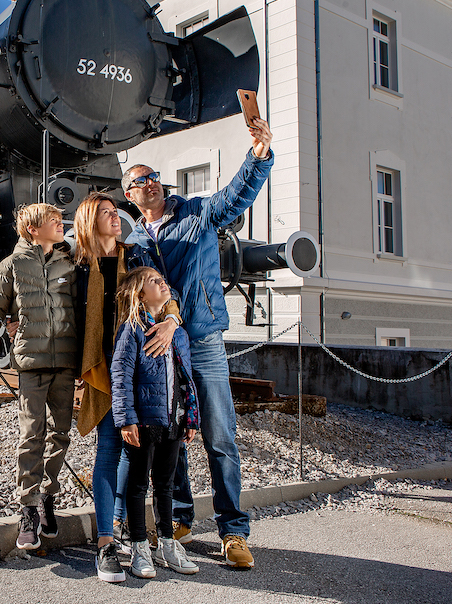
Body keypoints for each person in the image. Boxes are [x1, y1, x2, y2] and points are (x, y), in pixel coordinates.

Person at [122, 116, 273, 569]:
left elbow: (235, 196)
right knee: (174, 435)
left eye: (153, 176)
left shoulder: (197, 213)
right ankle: (181, 518)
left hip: (202, 339)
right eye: (139, 180)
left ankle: (233, 531)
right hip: (163, 345)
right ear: (129, 195)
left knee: (220, 436)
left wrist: (259, 157)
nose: (149, 183)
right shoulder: (135, 240)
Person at [71, 193, 183, 582]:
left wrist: (171, 322)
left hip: (140, 363)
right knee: (109, 449)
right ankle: (105, 543)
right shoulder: (76, 265)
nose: (115, 216)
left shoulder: (134, 256)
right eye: (105, 213)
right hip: (104, 368)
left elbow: (166, 294)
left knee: (131, 451)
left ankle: (121, 524)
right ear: (89, 221)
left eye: (115, 211)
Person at [0, 203, 76, 551]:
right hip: (31, 362)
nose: (60, 225)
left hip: (65, 361)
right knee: (32, 433)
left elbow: (79, 307)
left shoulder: (67, 263)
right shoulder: (12, 265)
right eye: (53, 221)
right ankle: (28, 508)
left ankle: (47, 497)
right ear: (33, 228)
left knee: (60, 434)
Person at [111, 267, 200, 579]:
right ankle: (139, 546)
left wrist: (191, 418)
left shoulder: (178, 334)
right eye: (154, 281)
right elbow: (121, 376)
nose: (163, 283)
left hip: (172, 421)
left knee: (165, 484)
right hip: (144, 422)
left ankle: (167, 544)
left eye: (163, 279)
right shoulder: (131, 330)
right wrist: (126, 420)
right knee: (137, 485)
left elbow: (187, 379)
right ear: (139, 294)